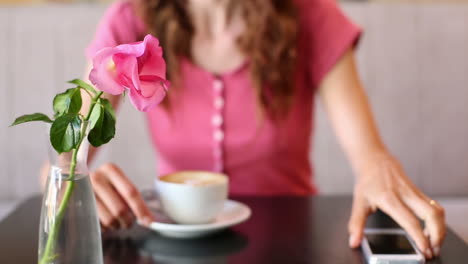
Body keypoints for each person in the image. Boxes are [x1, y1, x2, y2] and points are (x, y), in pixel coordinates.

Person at [80, 0, 445, 259]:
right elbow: (65, 158)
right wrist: (73, 182)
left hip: (292, 245)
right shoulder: (129, 20)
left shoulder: (313, 14)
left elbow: (369, 156)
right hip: (173, 248)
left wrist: (379, 170)